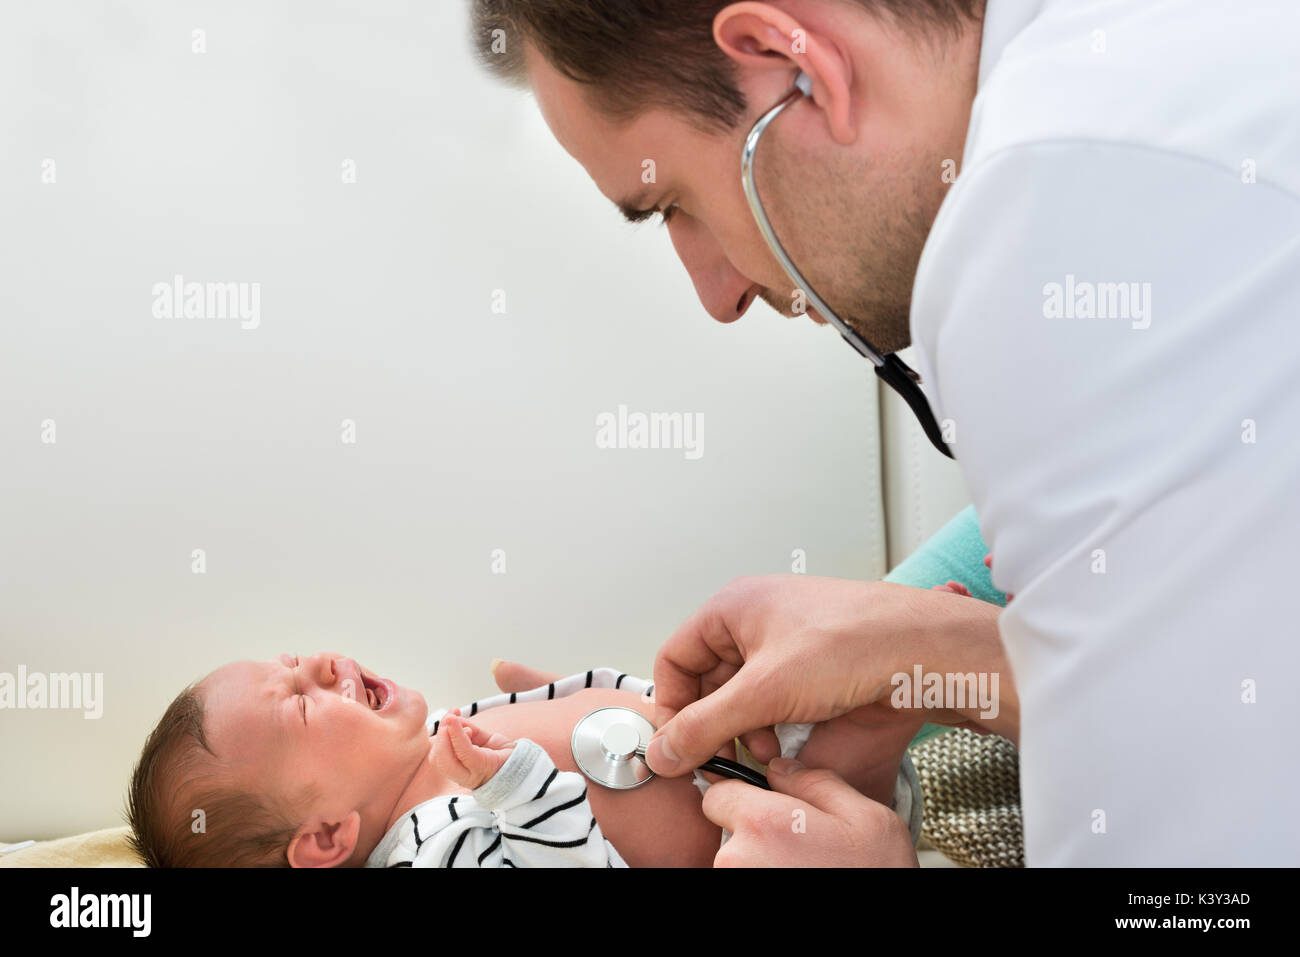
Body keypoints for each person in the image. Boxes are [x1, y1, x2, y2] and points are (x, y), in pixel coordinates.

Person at [469, 0, 1300, 865]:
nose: (718, 296)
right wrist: (939, 650)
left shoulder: (1046, 220)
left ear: (791, 62)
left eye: (674, 201)